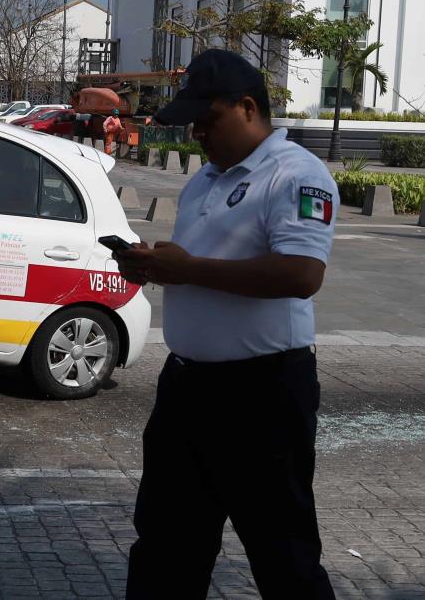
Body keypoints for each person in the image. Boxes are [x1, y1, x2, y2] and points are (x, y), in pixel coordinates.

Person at [114, 49, 338, 599]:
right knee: (167, 546)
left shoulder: (295, 174)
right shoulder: (205, 181)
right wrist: (156, 264)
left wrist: (188, 268)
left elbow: (302, 274)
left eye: (206, 120)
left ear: (247, 107)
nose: (197, 134)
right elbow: (201, 268)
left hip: (261, 393)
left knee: (282, 554)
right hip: (188, 387)